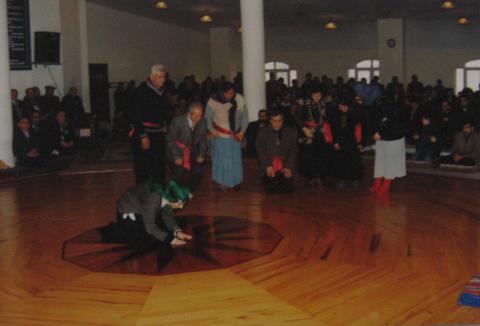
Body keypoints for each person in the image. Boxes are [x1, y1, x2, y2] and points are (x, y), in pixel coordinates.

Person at [101, 180, 193, 247]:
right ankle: (118, 227)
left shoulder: (168, 195)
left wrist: (177, 232)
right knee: (145, 239)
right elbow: (150, 228)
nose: (181, 207)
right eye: (180, 204)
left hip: (143, 207)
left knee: (160, 227)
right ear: (172, 200)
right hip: (128, 210)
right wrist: (171, 240)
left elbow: (167, 216)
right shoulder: (153, 201)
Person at [130, 64, 172, 185]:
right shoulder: (140, 92)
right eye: (159, 77)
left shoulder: (163, 91)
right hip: (144, 134)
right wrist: (143, 136)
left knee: (159, 166)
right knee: (144, 168)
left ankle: (158, 195)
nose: (163, 80)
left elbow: (164, 112)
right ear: (151, 77)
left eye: (164, 77)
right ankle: (143, 197)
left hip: (159, 134)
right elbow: (135, 116)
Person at [205, 82, 249, 191]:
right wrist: (211, 130)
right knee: (222, 160)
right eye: (227, 93)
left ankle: (236, 181)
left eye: (232, 92)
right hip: (220, 135)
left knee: (235, 160)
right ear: (222, 92)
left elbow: (245, 117)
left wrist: (242, 131)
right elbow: (207, 117)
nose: (230, 95)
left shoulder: (240, 99)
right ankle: (222, 182)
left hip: (235, 135)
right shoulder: (213, 100)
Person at [166, 102, 207, 191]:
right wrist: (176, 156)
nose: (199, 118)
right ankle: (175, 194)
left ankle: (188, 191)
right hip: (178, 150)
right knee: (179, 175)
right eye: (196, 116)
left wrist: (201, 154)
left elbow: (203, 139)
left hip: (193, 149)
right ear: (189, 114)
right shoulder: (177, 122)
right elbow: (170, 140)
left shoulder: (203, 121)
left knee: (197, 173)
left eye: (200, 115)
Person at [370, 97, 406, 195]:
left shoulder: (396, 111)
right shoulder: (378, 110)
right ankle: (377, 183)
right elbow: (375, 122)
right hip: (381, 138)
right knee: (379, 161)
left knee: (390, 162)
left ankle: (386, 185)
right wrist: (375, 133)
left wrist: (380, 133)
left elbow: (395, 126)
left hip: (393, 140)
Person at [297, 87, 333, 185]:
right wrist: (304, 128)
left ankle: (323, 175)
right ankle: (310, 176)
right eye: (314, 96)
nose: (317, 98)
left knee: (323, 154)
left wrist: (325, 126)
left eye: (319, 96)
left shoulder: (326, 104)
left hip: (322, 132)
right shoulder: (304, 104)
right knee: (309, 155)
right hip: (309, 132)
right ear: (310, 96)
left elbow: (330, 117)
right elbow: (298, 118)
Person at [256, 110, 297, 194]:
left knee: (287, 190)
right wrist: (267, 166)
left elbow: (293, 151)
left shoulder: (291, 132)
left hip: (285, 165)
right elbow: (260, 151)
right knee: (272, 190)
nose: (277, 123)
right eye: (274, 120)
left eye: (279, 120)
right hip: (269, 165)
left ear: (283, 120)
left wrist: (288, 167)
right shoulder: (262, 132)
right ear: (270, 121)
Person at [328, 99, 364, 187]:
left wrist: (360, 142)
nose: (342, 108)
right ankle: (342, 178)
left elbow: (360, 128)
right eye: (340, 106)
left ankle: (354, 178)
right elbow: (334, 129)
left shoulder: (355, 114)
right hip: (340, 140)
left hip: (352, 140)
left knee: (353, 159)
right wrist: (335, 141)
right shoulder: (335, 115)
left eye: (344, 106)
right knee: (340, 160)